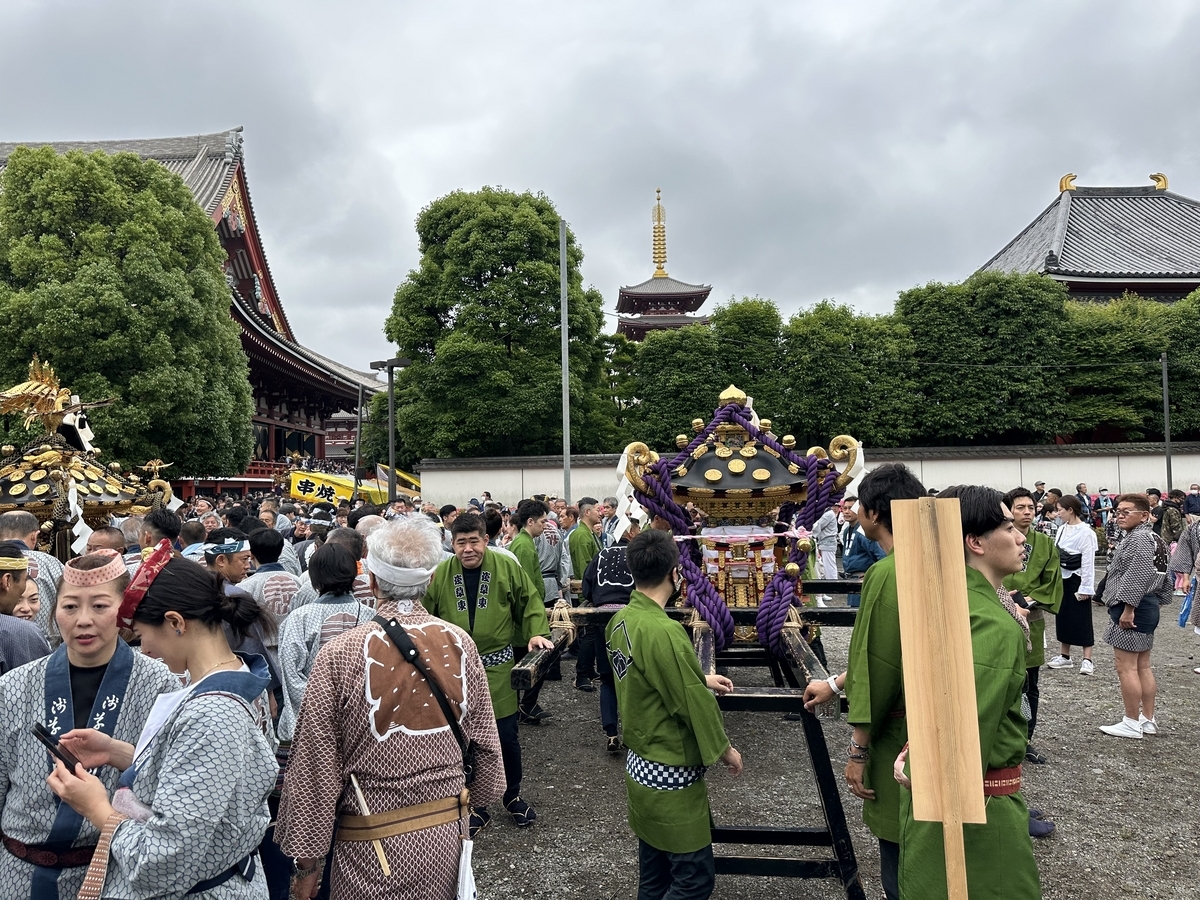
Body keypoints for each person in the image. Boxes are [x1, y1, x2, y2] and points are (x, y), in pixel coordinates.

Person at [277, 516, 504, 900]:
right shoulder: (458, 642)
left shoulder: (340, 655)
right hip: (445, 833)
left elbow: (315, 767)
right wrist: (478, 793)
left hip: (370, 840)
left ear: (373, 581)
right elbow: (485, 746)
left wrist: (308, 862)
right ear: (430, 580)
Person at [47, 546, 278, 898]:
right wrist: (119, 752)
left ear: (175, 622)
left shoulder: (212, 715)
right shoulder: (221, 684)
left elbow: (163, 860)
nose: (146, 650)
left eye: (143, 635)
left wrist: (97, 808)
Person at [0, 550, 176, 900]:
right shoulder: (13, 686)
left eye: (99, 606)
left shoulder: (161, 685)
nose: (83, 620)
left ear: (125, 611)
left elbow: (169, 783)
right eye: (69, 607)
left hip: (111, 871)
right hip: (17, 872)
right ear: (54, 612)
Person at [895, 485, 1040, 900]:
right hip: (973, 809)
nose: (1020, 536)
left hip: (944, 795)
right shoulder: (989, 622)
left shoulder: (948, 601)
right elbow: (965, 733)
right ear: (974, 541)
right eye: (1009, 526)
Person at [801, 462, 926, 900]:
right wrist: (836, 684)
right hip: (941, 718)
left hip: (903, 729)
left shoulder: (887, 572)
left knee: (903, 852)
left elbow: (878, 665)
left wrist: (857, 749)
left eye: (857, 503)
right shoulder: (939, 559)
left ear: (874, 512)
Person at [606, 529, 741, 900]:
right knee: (693, 879)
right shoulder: (664, 631)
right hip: (669, 767)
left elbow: (649, 676)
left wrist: (699, 676)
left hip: (640, 764)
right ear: (674, 573)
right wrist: (724, 748)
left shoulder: (618, 622)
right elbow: (689, 701)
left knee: (654, 873)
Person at [422, 513, 552, 834]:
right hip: (454, 670)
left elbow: (530, 601)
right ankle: (476, 804)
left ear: (486, 539)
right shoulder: (439, 574)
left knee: (506, 736)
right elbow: (424, 614)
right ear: (451, 544)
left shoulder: (506, 567)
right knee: (463, 740)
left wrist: (535, 632)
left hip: (498, 668)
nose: (468, 549)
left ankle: (512, 795)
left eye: (474, 541)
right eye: (461, 542)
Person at [276, 543, 375, 742]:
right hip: (362, 720)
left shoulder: (299, 618)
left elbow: (291, 673)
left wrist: (323, 707)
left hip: (312, 726)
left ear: (315, 576)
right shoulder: (372, 617)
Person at [1099, 493, 1172, 738]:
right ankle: (1147, 719)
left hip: (1133, 606)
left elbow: (1138, 574)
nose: (1120, 515)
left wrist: (1129, 608)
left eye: (1126, 511)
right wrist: (1159, 602)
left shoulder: (1140, 538)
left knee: (1126, 667)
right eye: (1118, 511)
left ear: (1144, 515)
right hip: (1148, 604)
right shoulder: (1155, 538)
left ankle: (1131, 721)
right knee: (1143, 666)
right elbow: (1165, 574)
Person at [1001, 488, 1063, 774]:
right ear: (1008, 510)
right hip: (998, 612)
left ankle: (1025, 738)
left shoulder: (1045, 543)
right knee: (1003, 680)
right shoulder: (998, 538)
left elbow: (1051, 580)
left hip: (1031, 616)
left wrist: (1023, 601)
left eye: (1030, 507)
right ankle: (1001, 738)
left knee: (1029, 685)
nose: (1027, 511)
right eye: (1020, 507)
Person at [583, 517, 640, 753]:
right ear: (630, 533)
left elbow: (587, 587)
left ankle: (611, 732)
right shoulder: (638, 556)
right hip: (631, 617)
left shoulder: (601, 555)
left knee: (607, 677)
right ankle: (633, 732)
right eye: (638, 529)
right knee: (633, 676)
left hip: (601, 618)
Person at [1046, 496, 1098, 675]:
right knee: (1063, 615)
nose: (1058, 513)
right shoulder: (1061, 529)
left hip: (1077, 577)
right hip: (1062, 577)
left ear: (1070, 510)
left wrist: (1086, 587)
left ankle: (1087, 658)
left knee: (1082, 617)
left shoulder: (1086, 532)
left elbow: (1088, 561)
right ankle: (1065, 655)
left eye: (1060, 509)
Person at [0, 547, 50, 673]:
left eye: (33, 599)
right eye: (23, 580)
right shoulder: (22, 633)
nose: (26, 609)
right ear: (7, 581)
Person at [839, 497, 886, 608]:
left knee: (859, 611)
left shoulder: (863, 531)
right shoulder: (847, 531)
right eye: (844, 508)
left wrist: (870, 573)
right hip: (850, 578)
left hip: (861, 578)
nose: (846, 511)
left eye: (850, 508)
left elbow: (881, 555)